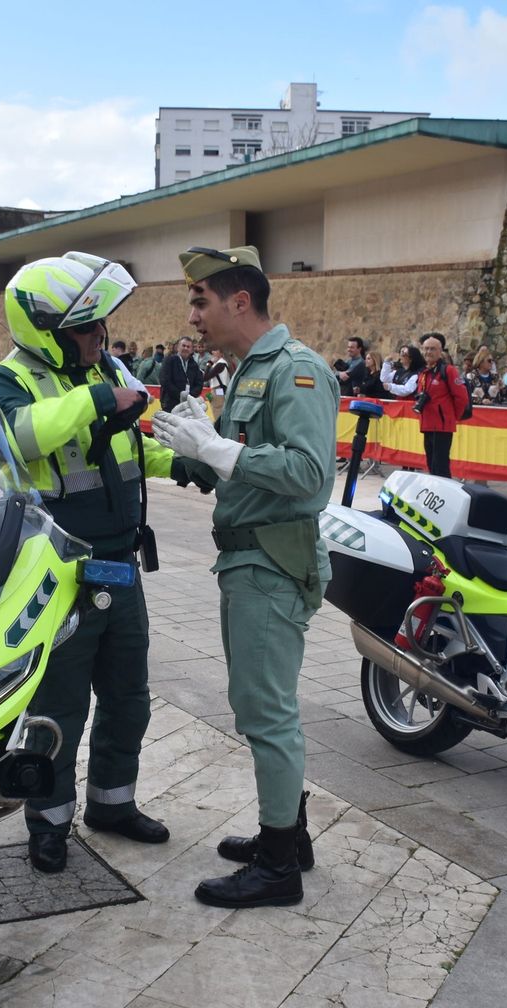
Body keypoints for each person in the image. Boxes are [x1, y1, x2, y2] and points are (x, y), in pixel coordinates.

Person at [0, 251, 192, 875]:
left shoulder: (102, 369)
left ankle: (112, 803)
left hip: (120, 563)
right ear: (45, 329)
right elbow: (15, 439)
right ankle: (47, 822)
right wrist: (98, 397)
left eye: (100, 326)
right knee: (59, 706)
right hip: (56, 573)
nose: (100, 337)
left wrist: (182, 462)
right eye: (86, 327)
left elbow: (126, 452)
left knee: (130, 695)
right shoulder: (8, 381)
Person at [150, 244, 338, 909]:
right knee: (258, 707)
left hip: (273, 557)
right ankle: (291, 833)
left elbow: (310, 475)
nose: (192, 315)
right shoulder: (248, 372)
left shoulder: (297, 370)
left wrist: (222, 448)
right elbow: (227, 468)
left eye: (200, 301)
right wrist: (185, 452)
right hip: (247, 554)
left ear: (239, 301)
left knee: (267, 712)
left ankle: (279, 863)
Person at [415, 332, 469, 478]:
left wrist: (451, 417)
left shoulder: (448, 371)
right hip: (427, 424)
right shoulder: (424, 373)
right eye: (426, 349)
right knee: (431, 464)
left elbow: (461, 397)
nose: (428, 352)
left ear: (440, 352)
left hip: (442, 425)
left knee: (441, 466)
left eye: (432, 349)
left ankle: (445, 496)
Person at [159, 335, 198, 412]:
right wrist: (179, 395)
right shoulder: (169, 360)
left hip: (188, 404)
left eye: (188, 346)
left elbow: (199, 383)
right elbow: (164, 380)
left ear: (191, 350)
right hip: (170, 402)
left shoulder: (194, 365)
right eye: (183, 346)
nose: (185, 348)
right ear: (178, 347)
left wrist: (190, 396)